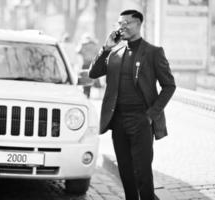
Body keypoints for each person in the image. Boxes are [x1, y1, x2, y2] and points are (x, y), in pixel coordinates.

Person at [89, 10, 176, 200]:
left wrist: (151, 115)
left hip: (141, 120)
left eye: (127, 23)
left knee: (143, 173)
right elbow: (93, 73)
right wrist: (105, 48)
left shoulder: (153, 52)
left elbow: (169, 86)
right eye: (120, 23)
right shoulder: (114, 53)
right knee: (126, 172)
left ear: (138, 24)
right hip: (118, 120)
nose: (122, 27)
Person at [76, 34, 100, 98]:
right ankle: (88, 93)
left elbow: (78, 51)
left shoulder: (83, 45)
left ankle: (85, 93)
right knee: (90, 79)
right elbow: (98, 53)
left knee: (84, 79)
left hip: (85, 64)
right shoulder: (95, 45)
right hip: (92, 64)